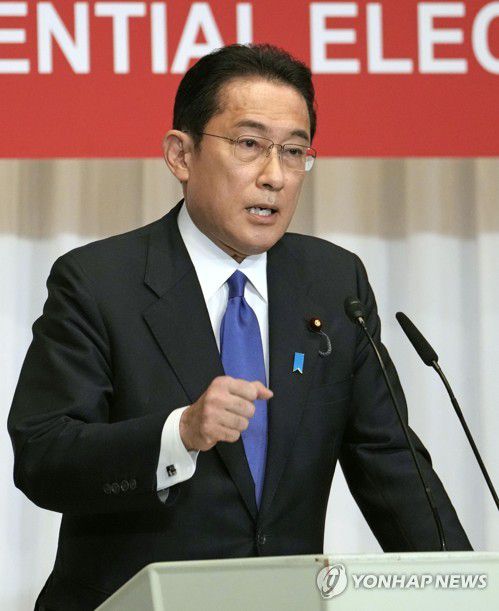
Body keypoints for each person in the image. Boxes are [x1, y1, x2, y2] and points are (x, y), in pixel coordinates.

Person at [8, 44, 471, 611]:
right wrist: (180, 433)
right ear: (181, 155)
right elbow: (44, 457)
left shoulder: (334, 283)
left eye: (294, 151)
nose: (274, 177)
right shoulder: (99, 282)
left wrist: (465, 588)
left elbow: (391, 462)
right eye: (250, 145)